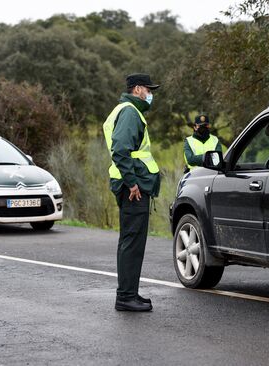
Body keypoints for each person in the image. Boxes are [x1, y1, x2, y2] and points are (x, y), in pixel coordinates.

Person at [103, 73, 161, 312]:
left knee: (131, 241)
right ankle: (126, 296)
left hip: (130, 184)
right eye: (148, 89)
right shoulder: (129, 112)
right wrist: (133, 182)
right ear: (137, 89)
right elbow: (120, 149)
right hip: (132, 188)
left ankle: (129, 294)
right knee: (132, 242)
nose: (150, 94)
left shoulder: (127, 110)